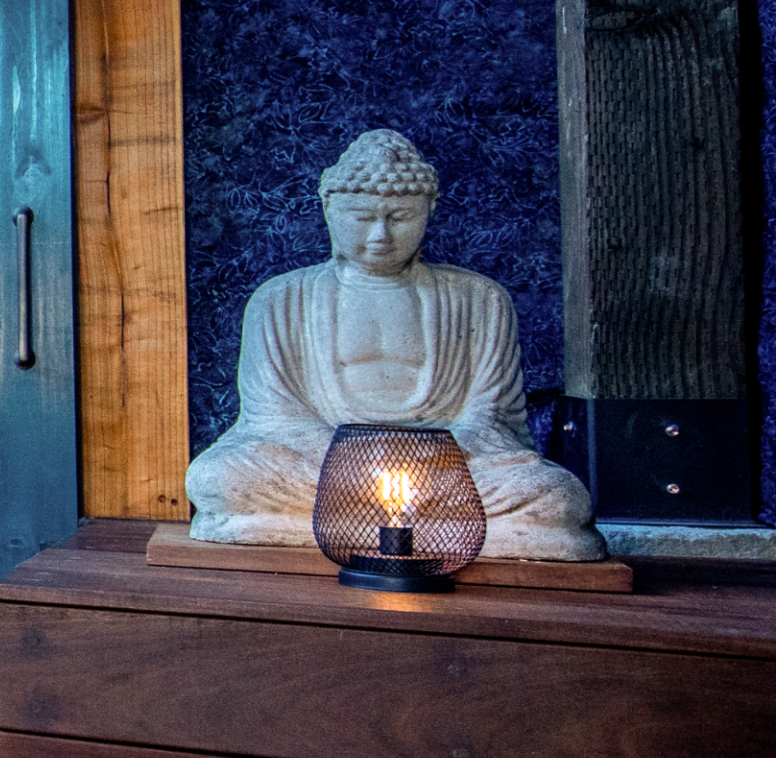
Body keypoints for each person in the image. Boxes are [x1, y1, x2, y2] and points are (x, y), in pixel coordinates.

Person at [182, 129, 599, 556]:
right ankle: (441, 533)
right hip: (325, 465)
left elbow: (492, 412)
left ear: (429, 210)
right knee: (215, 480)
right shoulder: (280, 300)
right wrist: (358, 460)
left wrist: (430, 458)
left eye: (399, 218)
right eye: (362, 218)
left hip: (442, 467)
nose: (380, 234)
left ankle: (346, 526)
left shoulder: (480, 299)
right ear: (328, 209)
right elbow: (274, 416)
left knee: (559, 499)